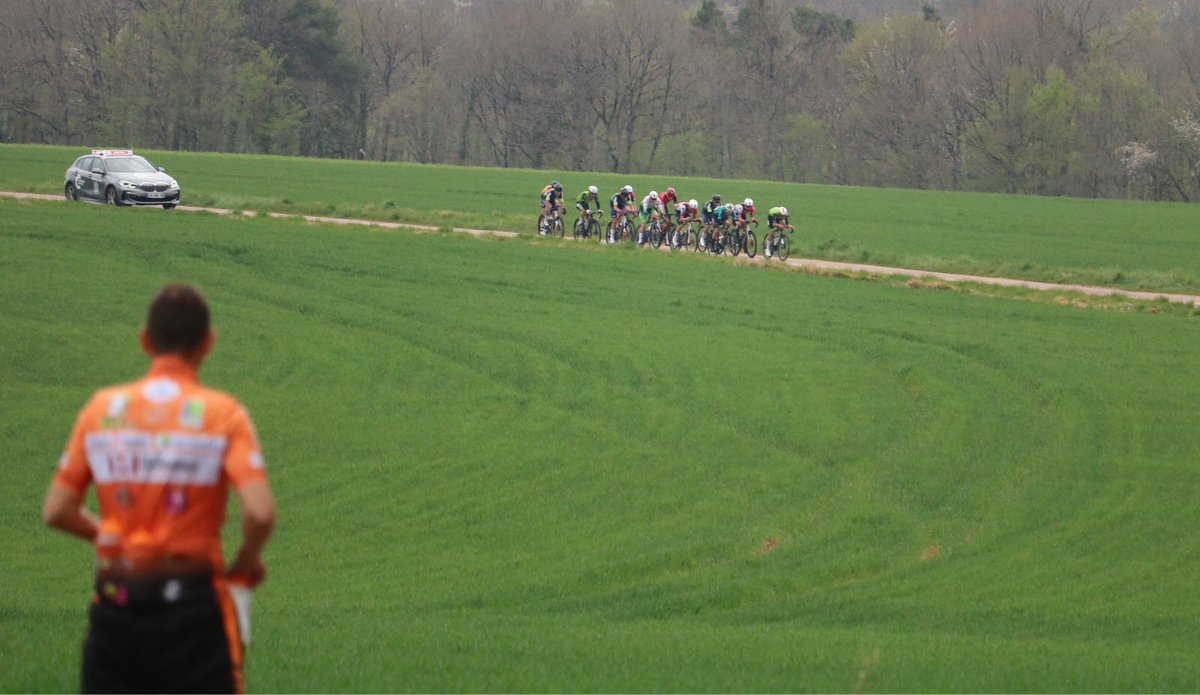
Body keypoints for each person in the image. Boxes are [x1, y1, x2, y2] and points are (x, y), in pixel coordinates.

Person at [43, 283, 276, 694]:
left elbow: (57, 510)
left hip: (116, 609)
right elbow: (259, 513)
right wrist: (246, 561)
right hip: (194, 612)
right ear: (208, 343)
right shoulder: (224, 415)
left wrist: (116, 539)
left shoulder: (101, 410)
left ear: (145, 340)